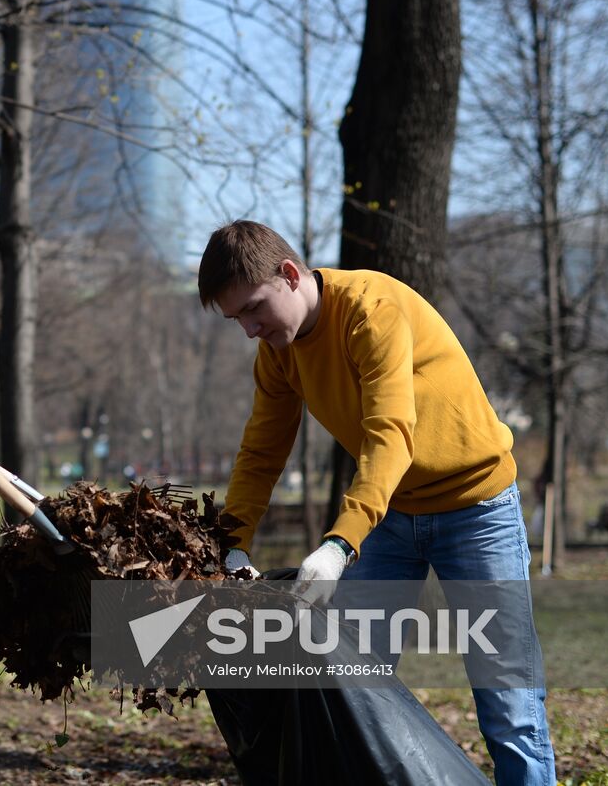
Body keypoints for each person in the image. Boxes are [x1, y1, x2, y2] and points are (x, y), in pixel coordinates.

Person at [199, 220, 555, 786]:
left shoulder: (371, 308)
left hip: (476, 506)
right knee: (352, 684)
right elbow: (261, 453)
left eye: (253, 308)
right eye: (237, 318)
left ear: (290, 275)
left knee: (507, 697)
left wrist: (341, 542)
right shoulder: (278, 352)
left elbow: (391, 432)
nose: (248, 329)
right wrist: (233, 545)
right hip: (391, 519)